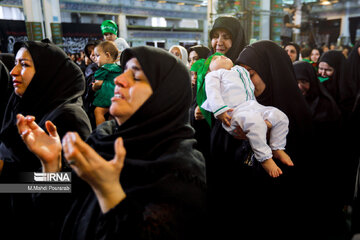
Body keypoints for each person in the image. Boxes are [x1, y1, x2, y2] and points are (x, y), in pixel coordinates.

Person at [16, 46, 207, 240]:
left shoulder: (180, 170)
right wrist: (51, 166)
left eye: (137, 77)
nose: (118, 80)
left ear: (164, 96)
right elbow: (59, 205)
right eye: (124, 73)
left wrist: (109, 192)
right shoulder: (104, 138)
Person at [209, 40, 313, 239]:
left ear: (272, 73)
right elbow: (218, 164)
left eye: (250, 74)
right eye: (239, 74)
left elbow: (301, 184)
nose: (244, 81)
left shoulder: (297, 116)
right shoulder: (235, 108)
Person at [0, 39, 92, 239]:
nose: (13, 71)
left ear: (47, 72)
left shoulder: (68, 117)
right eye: (15, 63)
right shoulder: (24, 106)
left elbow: (70, 183)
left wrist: (7, 179)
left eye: (24, 65)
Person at [201, 53, 292, 178]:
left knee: (280, 116)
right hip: (234, 112)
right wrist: (220, 110)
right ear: (209, 70)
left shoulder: (239, 71)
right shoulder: (214, 75)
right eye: (215, 59)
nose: (221, 57)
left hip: (252, 106)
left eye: (252, 73)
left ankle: (277, 147)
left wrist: (269, 128)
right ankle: (265, 157)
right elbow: (213, 93)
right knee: (254, 122)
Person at [92, 41, 122, 126]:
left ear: (108, 55)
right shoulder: (118, 67)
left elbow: (98, 84)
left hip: (106, 96)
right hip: (117, 95)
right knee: (112, 115)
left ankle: (100, 132)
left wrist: (94, 87)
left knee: (98, 111)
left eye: (97, 56)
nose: (95, 59)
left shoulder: (103, 69)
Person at [83, 40, 101, 129]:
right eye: (89, 53)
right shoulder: (91, 68)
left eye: (94, 50)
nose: (92, 55)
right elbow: (91, 88)